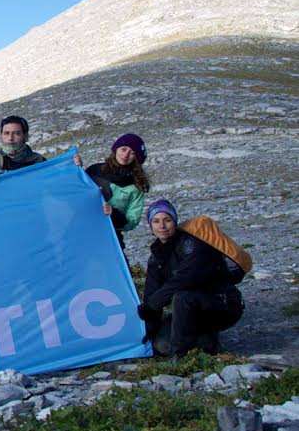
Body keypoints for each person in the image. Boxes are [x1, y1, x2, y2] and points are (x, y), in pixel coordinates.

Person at [138, 200, 247, 356]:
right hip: (190, 309)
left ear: (175, 222)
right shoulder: (157, 256)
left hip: (222, 304)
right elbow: (151, 293)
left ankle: (179, 355)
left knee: (182, 297)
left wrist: (153, 305)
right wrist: (150, 326)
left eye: (167, 220)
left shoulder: (193, 245)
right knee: (161, 345)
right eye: (156, 221)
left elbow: (184, 279)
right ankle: (204, 340)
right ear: (150, 226)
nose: (161, 226)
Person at [86, 133, 151, 250]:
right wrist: (75, 166)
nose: (126, 155)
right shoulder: (94, 170)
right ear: (116, 149)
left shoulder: (136, 187)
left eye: (132, 153)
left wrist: (113, 214)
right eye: (124, 149)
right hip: (81, 227)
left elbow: (132, 221)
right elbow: (72, 189)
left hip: (110, 237)